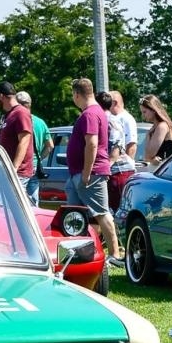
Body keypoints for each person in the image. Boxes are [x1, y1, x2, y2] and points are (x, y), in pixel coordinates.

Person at [67, 77, 121, 265]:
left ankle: (115, 254)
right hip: (78, 173)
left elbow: (92, 144)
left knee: (101, 213)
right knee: (74, 215)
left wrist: (86, 173)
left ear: (77, 94)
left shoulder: (90, 114)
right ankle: (78, 252)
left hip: (91, 173)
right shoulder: (93, 112)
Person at [0, 81, 37, 194]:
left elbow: (24, 140)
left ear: (1, 96)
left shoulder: (21, 113)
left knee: (17, 208)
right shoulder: (7, 115)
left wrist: (14, 168)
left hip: (18, 173)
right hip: (7, 170)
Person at [105, 90, 138, 210]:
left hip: (121, 170)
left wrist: (126, 163)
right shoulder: (113, 118)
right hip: (113, 170)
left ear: (114, 102)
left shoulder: (126, 119)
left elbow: (132, 145)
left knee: (119, 207)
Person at [17, 89, 50, 205]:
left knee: (19, 200)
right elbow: (50, 145)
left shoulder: (18, 121)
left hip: (22, 167)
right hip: (35, 166)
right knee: (33, 198)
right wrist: (39, 157)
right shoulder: (40, 122)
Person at [139, 94, 172, 164]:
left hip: (167, 170)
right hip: (161, 170)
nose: (143, 115)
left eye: (144, 112)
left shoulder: (162, 126)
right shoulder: (154, 128)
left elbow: (149, 155)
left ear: (153, 110)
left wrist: (148, 135)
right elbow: (147, 157)